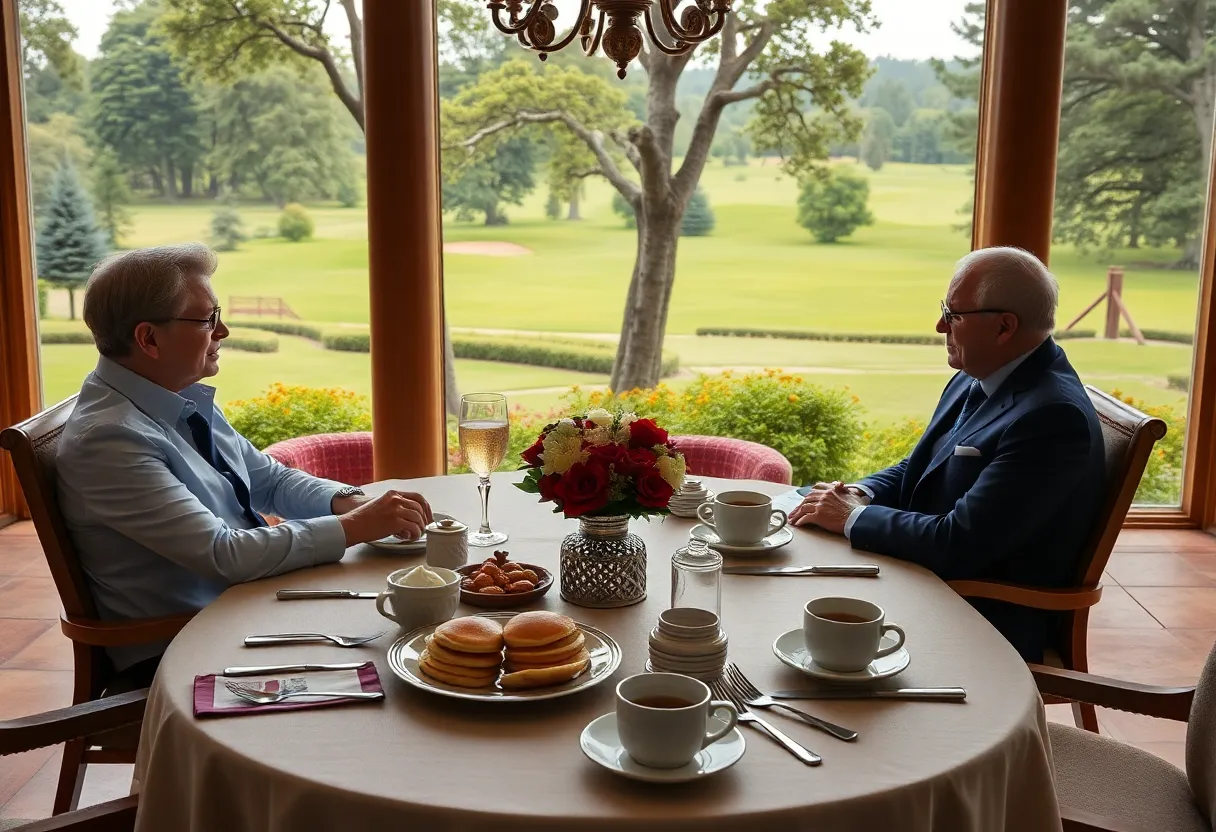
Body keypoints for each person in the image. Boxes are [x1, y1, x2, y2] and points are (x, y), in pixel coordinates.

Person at [57, 244, 433, 687]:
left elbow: (268, 479)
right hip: (185, 650)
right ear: (149, 339)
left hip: (240, 611)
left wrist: (349, 502)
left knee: (410, 630)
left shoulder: (169, 395)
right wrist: (356, 527)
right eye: (208, 319)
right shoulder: (109, 440)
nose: (225, 331)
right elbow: (225, 554)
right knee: (400, 665)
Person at [790, 246, 1106, 661]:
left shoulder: (1052, 418)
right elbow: (920, 466)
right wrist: (859, 495)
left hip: (981, 614)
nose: (940, 325)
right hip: (927, 579)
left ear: (1004, 327)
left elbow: (959, 544)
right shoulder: (984, 374)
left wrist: (849, 517)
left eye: (953, 315)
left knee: (795, 611)